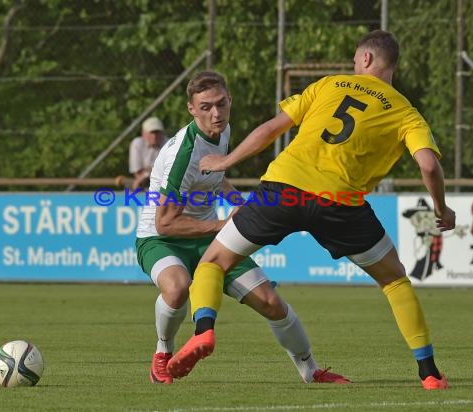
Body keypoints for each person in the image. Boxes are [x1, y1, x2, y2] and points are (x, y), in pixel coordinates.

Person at [168, 30, 455, 391]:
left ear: (365, 59)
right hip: (340, 204)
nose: (353, 64)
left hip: (283, 189)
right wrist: (442, 209)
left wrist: (226, 160)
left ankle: (204, 331)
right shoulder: (406, 113)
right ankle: (428, 373)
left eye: (355, 58)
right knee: (394, 279)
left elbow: (272, 129)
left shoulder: (330, 84)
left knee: (213, 262)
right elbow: (429, 166)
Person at [135, 71, 348, 385]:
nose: (216, 114)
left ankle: (311, 371)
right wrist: (227, 224)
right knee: (178, 287)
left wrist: (237, 201)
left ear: (230, 101)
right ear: (191, 109)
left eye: (221, 104)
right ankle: (162, 354)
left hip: (207, 233)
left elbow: (214, 176)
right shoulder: (182, 154)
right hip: (160, 238)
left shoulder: (222, 130)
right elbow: (165, 223)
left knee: (271, 302)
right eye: (206, 107)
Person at [128, 116, 168, 190]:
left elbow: (170, 171)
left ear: (162, 133)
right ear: (143, 133)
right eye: (152, 132)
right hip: (145, 184)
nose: (154, 136)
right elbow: (137, 173)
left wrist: (147, 173)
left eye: (157, 132)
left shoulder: (169, 143)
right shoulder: (137, 144)